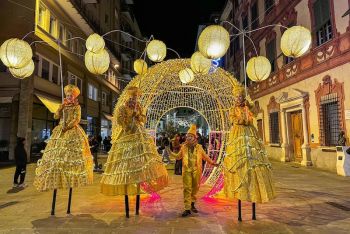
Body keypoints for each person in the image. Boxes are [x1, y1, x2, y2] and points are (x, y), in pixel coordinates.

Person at [100, 86, 168, 218]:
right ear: (128, 97)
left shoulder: (139, 106)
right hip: (127, 135)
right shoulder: (123, 107)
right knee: (125, 163)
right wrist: (129, 122)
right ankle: (127, 185)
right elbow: (120, 121)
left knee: (141, 158)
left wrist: (138, 115)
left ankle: (138, 182)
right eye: (132, 97)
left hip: (139, 134)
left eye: (136, 97)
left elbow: (143, 119)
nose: (134, 99)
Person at [224, 85, 275, 220]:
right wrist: (242, 120)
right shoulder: (232, 109)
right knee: (239, 161)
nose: (238, 99)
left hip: (250, 135)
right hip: (238, 135)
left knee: (253, 160)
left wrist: (250, 106)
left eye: (240, 96)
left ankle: (255, 190)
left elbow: (255, 113)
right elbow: (233, 119)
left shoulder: (247, 106)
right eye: (237, 97)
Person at [34, 84, 93, 191]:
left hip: (72, 130)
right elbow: (56, 116)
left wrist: (68, 126)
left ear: (74, 96)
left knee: (71, 154)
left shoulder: (77, 106)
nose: (69, 97)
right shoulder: (63, 106)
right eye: (68, 95)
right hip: (61, 129)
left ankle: (71, 173)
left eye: (71, 95)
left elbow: (77, 119)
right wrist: (60, 109)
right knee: (57, 152)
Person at [168, 124, 219, 217]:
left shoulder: (199, 147)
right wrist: (170, 153)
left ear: (195, 137)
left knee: (195, 187)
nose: (189, 138)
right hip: (187, 170)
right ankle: (187, 208)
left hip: (197, 170)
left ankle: (192, 204)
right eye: (188, 136)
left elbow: (205, 156)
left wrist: (212, 163)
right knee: (187, 188)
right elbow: (178, 156)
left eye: (191, 136)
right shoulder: (184, 147)